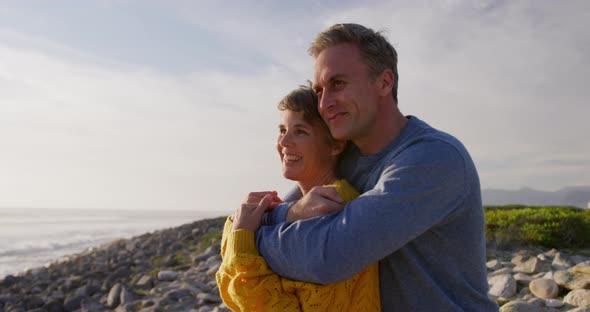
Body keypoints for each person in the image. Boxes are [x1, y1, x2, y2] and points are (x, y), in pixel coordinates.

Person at [255, 24, 499, 311]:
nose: (324, 104)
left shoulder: (434, 158)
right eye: (319, 90)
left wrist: (250, 238)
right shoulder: (344, 158)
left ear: (384, 82)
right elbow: (279, 212)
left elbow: (329, 257)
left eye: (338, 84)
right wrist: (289, 212)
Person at [215, 84, 381, 311]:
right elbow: (230, 292)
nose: (283, 143)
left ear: (335, 145)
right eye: (282, 130)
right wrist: (238, 224)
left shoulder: (336, 210)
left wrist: (242, 240)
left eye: (300, 131)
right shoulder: (295, 208)